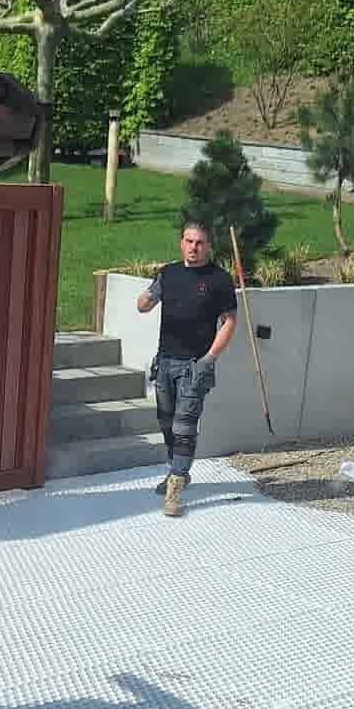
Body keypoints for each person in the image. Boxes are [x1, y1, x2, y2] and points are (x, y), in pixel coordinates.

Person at [136, 221, 237, 516]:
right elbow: (144, 305)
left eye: (200, 242)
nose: (194, 247)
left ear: (208, 246)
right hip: (165, 362)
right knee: (166, 422)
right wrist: (147, 296)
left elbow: (229, 322)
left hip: (195, 365)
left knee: (184, 427)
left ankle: (175, 489)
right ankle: (176, 469)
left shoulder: (219, 279)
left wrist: (209, 359)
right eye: (189, 241)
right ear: (181, 243)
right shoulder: (168, 274)